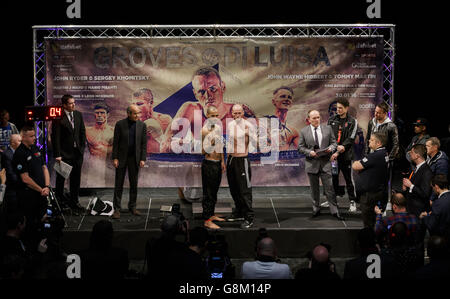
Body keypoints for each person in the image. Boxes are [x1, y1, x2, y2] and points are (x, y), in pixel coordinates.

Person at [161, 67, 254, 153]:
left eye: (212, 89)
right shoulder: (191, 109)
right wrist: (195, 146)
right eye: (201, 92)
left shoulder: (236, 112)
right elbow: (165, 147)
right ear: (195, 94)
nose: (208, 96)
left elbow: (260, 144)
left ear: (223, 87)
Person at [298, 110, 344, 220]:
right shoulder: (304, 131)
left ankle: (334, 211)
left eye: (318, 117)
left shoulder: (327, 129)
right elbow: (300, 147)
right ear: (308, 119)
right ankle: (316, 209)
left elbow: (334, 143)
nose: (316, 120)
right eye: (314, 118)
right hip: (311, 163)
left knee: (330, 189)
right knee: (314, 190)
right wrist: (309, 152)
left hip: (325, 163)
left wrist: (331, 149)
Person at [12, 126, 50, 251]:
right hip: (29, 197)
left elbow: (44, 168)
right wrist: (40, 189)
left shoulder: (36, 148)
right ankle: (31, 251)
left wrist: (47, 186)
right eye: (31, 136)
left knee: (44, 221)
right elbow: (25, 178)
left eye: (34, 135)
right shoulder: (19, 154)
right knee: (31, 225)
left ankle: (44, 247)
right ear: (23, 137)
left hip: (42, 194)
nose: (35, 138)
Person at [51, 94, 86, 212]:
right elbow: (55, 137)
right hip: (64, 155)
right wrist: (57, 154)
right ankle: (60, 203)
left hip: (77, 154)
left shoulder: (78, 115)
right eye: (70, 103)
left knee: (76, 179)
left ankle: (74, 202)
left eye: (74, 102)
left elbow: (82, 132)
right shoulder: (58, 117)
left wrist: (82, 149)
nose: (73, 105)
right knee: (61, 179)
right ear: (64, 105)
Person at [111, 104, 147, 219]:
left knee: (134, 184)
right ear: (129, 113)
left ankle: (132, 206)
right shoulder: (120, 124)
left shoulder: (142, 125)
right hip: (121, 158)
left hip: (134, 159)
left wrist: (142, 158)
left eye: (138, 113)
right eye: (135, 113)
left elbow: (143, 144)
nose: (137, 115)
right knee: (119, 184)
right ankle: (116, 209)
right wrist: (115, 158)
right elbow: (115, 143)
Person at [225, 104, 257, 229]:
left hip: (242, 159)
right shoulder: (230, 124)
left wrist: (249, 134)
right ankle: (239, 212)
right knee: (234, 188)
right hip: (231, 159)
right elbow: (230, 143)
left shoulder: (248, 125)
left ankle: (249, 217)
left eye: (239, 113)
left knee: (244, 190)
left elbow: (256, 144)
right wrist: (226, 160)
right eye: (235, 113)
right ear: (231, 113)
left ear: (243, 113)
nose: (237, 115)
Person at [366, 102, 399, 211]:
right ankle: (373, 205)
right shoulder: (372, 122)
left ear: (385, 113)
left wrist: (389, 159)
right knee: (372, 183)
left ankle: (383, 207)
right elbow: (368, 139)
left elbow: (395, 144)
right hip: (372, 157)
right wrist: (367, 154)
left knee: (383, 184)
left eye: (379, 113)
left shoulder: (391, 126)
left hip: (383, 158)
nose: (376, 114)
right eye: (375, 112)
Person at [352, 132, 389, 228]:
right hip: (376, 191)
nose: (369, 141)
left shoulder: (375, 156)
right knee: (371, 220)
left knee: (368, 221)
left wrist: (356, 162)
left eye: (372, 140)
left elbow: (356, 166)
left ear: (379, 143)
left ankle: (370, 240)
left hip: (370, 195)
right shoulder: (384, 153)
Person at [327, 98, 358, 212]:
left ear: (346, 108)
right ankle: (332, 200)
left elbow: (351, 138)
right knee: (333, 178)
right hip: (334, 157)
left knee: (349, 180)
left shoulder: (352, 121)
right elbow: (329, 137)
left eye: (340, 108)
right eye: (337, 108)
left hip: (346, 157)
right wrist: (334, 150)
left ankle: (352, 201)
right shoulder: (331, 120)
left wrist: (342, 147)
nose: (338, 110)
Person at [201, 105, 226, 229]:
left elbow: (220, 145)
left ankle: (211, 215)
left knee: (214, 192)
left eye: (217, 116)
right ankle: (206, 220)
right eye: (212, 116)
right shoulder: (205, 131)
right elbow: (203, 151)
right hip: (209, 164)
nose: (215, 118)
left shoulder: (218, 128)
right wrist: (212, 142)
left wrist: (222, 161)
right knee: (208, 193)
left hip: (217, 164)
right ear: (207, 116)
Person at [131, 88, 172, 153]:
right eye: (133, 104)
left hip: (160, 160)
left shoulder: (165, 120)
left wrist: (159, 137)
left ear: (151, 103)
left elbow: (173, 147)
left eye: (139, 104)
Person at [402, 144, 433, 218]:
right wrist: (406, 188)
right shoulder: (417, 167)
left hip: (419, 211)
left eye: (412, 152)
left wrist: (410, 186)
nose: (409, 153)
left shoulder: (427, 171)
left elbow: (425, 194)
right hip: (411, 207)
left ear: (417, 156)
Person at [264, 86, 299, 151]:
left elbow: (301, 150)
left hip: (285, 160)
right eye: (282, 96)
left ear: (291, 103)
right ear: (273, 101)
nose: (287, 99)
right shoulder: (263, 124)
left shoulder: (293, 131)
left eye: (289, 97)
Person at [1, 134, 21, 213]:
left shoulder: (20, 152)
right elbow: (10, 174)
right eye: (19, 141)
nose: (22, 143)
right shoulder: (7, 154)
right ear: (13, 143)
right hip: (12, 189)